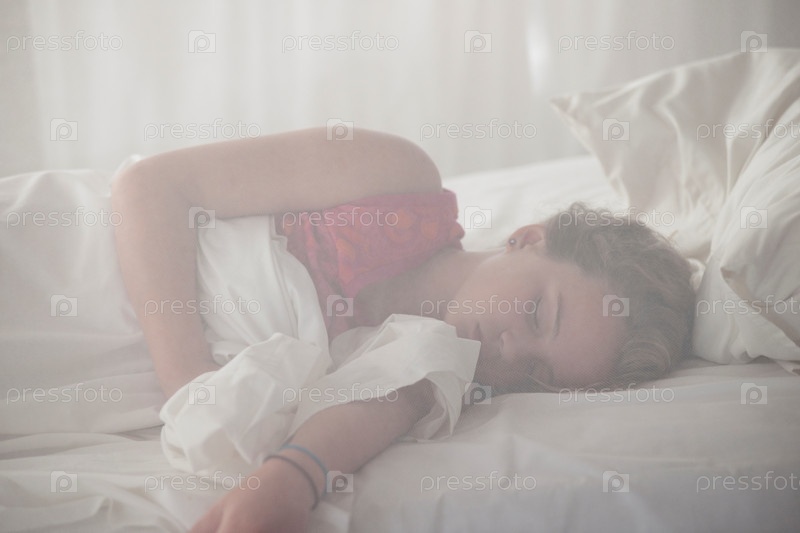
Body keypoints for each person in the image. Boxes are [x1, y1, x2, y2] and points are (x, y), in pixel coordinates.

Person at [111, 127, 694, 532]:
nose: (512, 349)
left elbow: (366, 413)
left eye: (538, 371)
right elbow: (152, 185)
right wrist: (189, 381)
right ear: (528, 238)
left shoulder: (429, 374)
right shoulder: (398, 181)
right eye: (539, 312)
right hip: (107, 253)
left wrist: (288, 481)